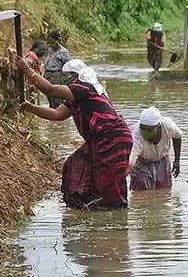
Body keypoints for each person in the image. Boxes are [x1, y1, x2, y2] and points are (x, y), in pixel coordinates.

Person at [16, 57, 132, 209]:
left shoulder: (83, 89)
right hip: (101, 140)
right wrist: (32, 108)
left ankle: (114, 213)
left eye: (67, 77)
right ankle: (87, 204)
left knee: (109, 180)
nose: (65, 81)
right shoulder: (78, 97)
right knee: (75, 165)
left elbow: (49, 89)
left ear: (75, 76)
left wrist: (27, 70)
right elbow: (57, 114)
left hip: (112, 138)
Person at [128, 106, 183, 191]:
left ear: (158, 127)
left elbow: (178, 137)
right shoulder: (137, 136)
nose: (145, 132)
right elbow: (131, 161)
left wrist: (177, 160)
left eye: (149, 129)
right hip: (141, 161)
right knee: (141, 190)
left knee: (164, 189)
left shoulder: (167, 126)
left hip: (162, 158)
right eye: (143, 128)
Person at [44, 29, 72, 109]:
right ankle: (52, 120)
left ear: (58, 41)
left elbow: (68, 68)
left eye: (52, 42)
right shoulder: (49, 50)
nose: (51, 45)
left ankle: (57, 120)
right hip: (48, 79)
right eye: (49, 43)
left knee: (57, 103)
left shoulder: (64, 52)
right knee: (50, 100)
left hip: (58, 80)